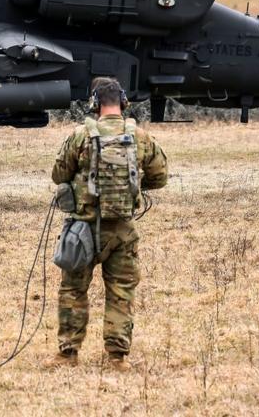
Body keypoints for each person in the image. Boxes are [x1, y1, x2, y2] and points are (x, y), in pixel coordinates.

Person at [46, 76, 168, 370]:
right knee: (121, 291)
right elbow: (160, 177)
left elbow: (59, 175)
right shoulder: (140, 137)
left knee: (73, 290)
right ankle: (117, 357)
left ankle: (68, 354)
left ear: (94, 104)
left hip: (82, 230)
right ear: (123, 102)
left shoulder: (80, 135)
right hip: (122, 231)